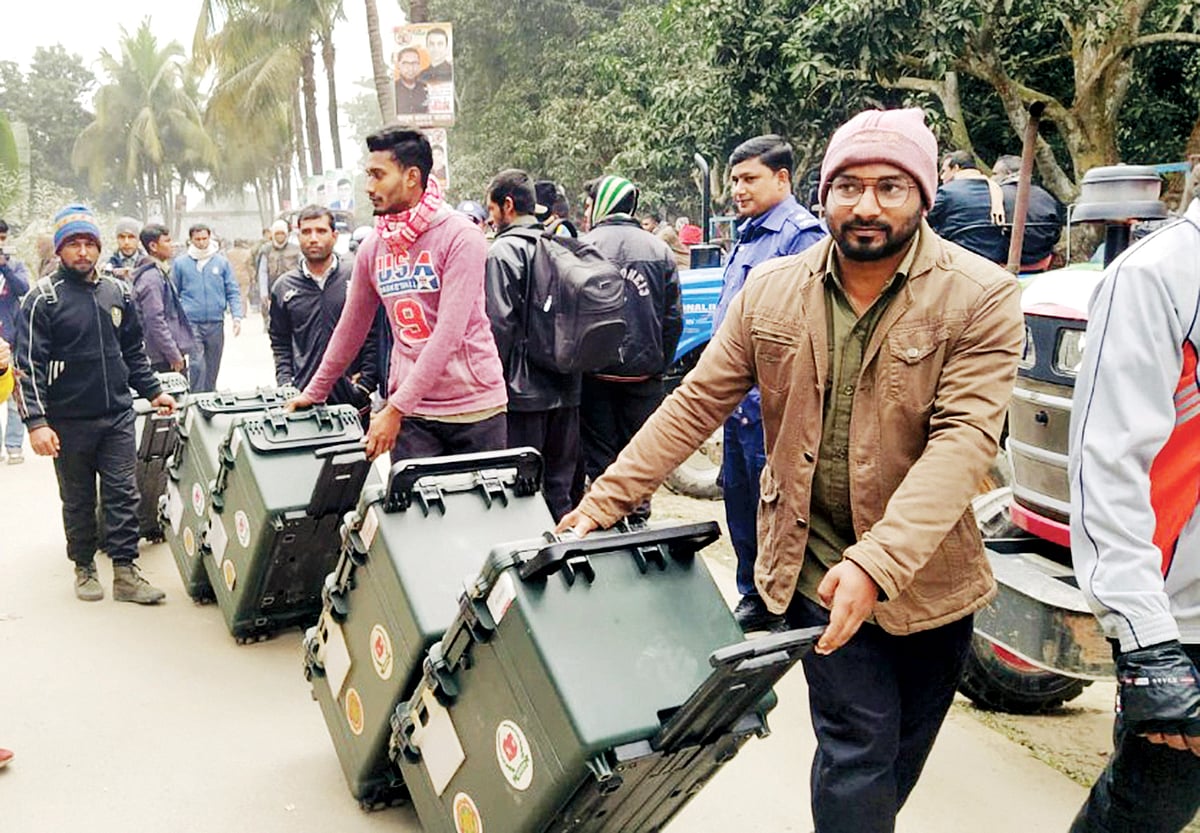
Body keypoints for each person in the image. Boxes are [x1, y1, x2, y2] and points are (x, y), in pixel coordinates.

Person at [558, 108, 1024, 833]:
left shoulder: (980, 296)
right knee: (857, 746)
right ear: (823, 192)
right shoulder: (772, 290)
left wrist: (879, 562)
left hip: (931, 578)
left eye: (890, 187)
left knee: (896, 755)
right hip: (814, 567)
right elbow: (694, 405)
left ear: (923, 195)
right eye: (849, 186)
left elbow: (963, 441)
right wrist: (602, 503)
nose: (866, 206)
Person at [1066, 173, 1200, 833]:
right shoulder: (1160, 275)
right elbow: (1108, 465)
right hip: (1184, 624)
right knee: (1148, 810)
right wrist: (1149, 645)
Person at [288, 128, 507, 462]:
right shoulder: (374, 247)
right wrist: (315, 391)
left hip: (473, 410)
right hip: (413, 415)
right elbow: (351, 328)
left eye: (378, 175)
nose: (369, 186)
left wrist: (394, 409)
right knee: (411, 498)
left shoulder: (461, 236)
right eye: (368, 175)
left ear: (411, 177)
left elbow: (448, 335)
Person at [16, 204, 177, 604]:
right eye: (74, 244)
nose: (83, 251)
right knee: (78, 498)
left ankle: (125, 572)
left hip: (117, 416)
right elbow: (28, 366)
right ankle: (84, 566)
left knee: (124, 494)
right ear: (60, 249)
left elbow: (133, 352)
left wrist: (153, 391)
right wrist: (36, 423)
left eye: (89, 243)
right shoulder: (43, 299)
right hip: (68, 421)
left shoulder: (117, 292)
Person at [713, 134, 826, 633]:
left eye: (749, 179)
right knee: (739, 501)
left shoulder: (800, 237)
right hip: (737, 403)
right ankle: (752, 595)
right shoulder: (749, 234)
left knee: (778, 508)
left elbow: (808, 329)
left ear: (782, 178)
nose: (738, 189)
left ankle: (783, 604)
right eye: (735, 179)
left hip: (772, 405)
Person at [577, 174, 682, 518]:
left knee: (602, 462)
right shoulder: (659, 250)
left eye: (590, 205)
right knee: (640, 458)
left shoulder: (583, 246)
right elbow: (672, 319)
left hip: (595, 379)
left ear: (603, 204)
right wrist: (658, 365)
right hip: (643, 379)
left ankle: (606, 522)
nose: (586, 212)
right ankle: (638, 520)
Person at [484, 169, 579, 520]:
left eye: (491, 209)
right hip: (567, 387)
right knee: (559, 489)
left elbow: (499, 325)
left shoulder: (502, 252)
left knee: (521, 492)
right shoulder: (559, 245)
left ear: (507, 205)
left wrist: (492, 386)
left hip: (523, 394)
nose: (490, 218)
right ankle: (566, 549)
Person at [269, 205, 378, 421]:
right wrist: (286, 383)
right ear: (297, 237)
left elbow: (375, 333)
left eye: (321, 231)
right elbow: (280, 341)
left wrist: (366, 383)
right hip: (303, 400)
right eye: (306, 232)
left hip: (352, 401)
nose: (313, 238)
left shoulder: (357, 276)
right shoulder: (283, 287)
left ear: (334, 236)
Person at [173, 223, 243, 392]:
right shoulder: (181, 263)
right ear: (191, 240)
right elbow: (174, 293)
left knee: (213, 363)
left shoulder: (221, 263)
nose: (201, 242)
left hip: (215, 321)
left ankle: (210, 393)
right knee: (197, 363)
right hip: (192, 322)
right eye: (197, 239)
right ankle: (196, 396)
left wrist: (237, 316)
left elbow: (232, 289)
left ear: (209, 237)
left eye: (204, 238)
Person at [131, 224, 193, 374]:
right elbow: (155, 320)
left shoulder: (160, 272)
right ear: (153, 246)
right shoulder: (151, 278)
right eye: (167, 241)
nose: (172, 245)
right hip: (161, 357)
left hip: (165, 353)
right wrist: (173, 353)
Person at [926, 150, 1009, 263]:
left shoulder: (946, 192)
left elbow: (922, 219)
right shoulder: (998, 191)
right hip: (994, 259)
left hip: (956, 258)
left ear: (956, 168)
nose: (942, 177)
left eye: (944, 171)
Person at [992, 154, 1065, 271]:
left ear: (1008, 173)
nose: (991, 178)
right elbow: (1057, 230)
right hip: (1042, 259)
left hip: (1004, 261)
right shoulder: (1046, 196)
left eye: (995, 174)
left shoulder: (995, 196)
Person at [0, 217, 31, 464]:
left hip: (12, 337)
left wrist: (5, 268)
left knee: (14, 394)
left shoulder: (15, 265)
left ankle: (14, 445)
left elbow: (23, 288)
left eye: (2, 239)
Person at [256, 219, 301, 311]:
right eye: (277, 234)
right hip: (272, 292)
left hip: (292, 289)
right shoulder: (266, 250)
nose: (280, 236)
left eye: (282, 233)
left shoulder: (296, 250)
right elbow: (263, 272)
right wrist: (264, 293)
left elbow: (302, 270)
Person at [394, 48, 429, 116]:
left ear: (419, 65)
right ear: (398, 66)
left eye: (414, 63)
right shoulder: (392, 90)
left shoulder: (428, 89)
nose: (410, 68)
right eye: (405, 64)